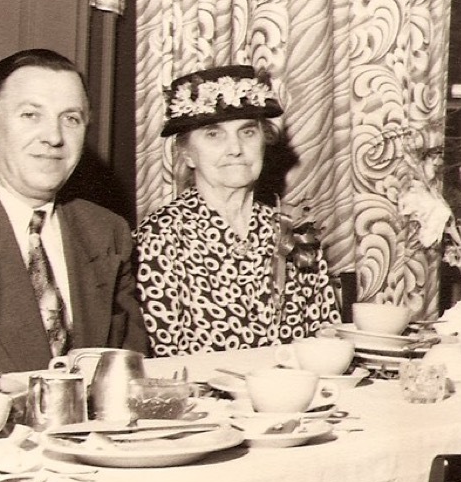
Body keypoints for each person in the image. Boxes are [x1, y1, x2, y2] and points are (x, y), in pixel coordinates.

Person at [0, 48, 147, 373]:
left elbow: (130, 374)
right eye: (31, 115)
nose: (54, 137)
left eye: (71, 119)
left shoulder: (107, 230)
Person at [134, 64, 339, 356]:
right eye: (213, 135)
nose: (236, 149)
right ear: (187, 153)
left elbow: (326, 341)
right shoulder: (160, 238)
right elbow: (163, 368)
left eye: (247, 132)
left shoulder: (295, 231)